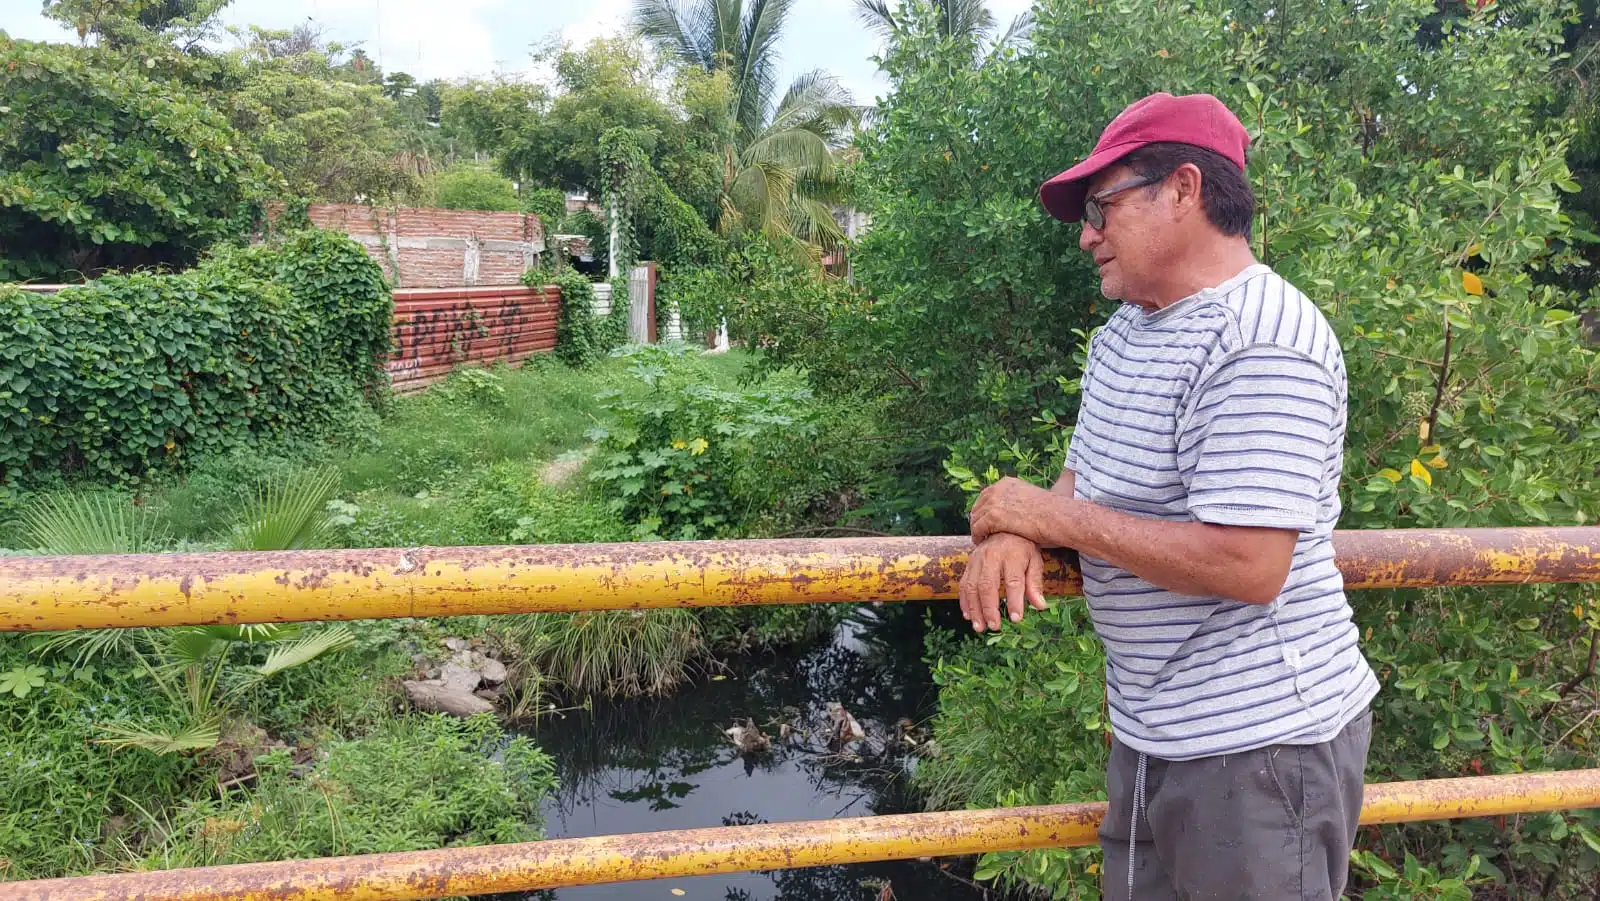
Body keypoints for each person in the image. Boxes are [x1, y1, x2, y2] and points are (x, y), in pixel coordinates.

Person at [957, 92, 1379, 901]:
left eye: (1101, 207)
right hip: (1155, 734)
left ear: (1183, 190)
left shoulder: (1263, 338)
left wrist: (1044, 515)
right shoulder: (1125, 334)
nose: (1087, 235)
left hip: (1262, 749)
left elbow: (1250, 563)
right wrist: (1015, 532)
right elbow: (1080, 485)